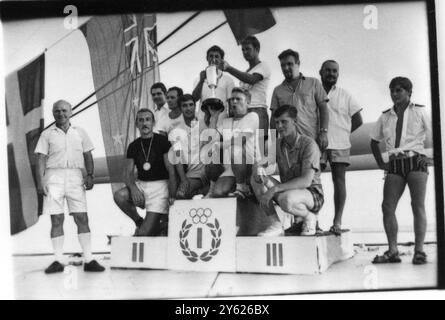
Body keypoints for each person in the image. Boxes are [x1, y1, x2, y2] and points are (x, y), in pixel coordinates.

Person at [35, 100, 105, 273]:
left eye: (65, 110)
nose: (61, 114)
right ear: (53, 113)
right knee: (56, 219)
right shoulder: (47, 134)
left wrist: (90, 175)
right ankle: (58, 260)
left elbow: (88, 154)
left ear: (71, 112)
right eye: (57, 111)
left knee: (81, 217)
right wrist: (41, 181)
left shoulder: (79, 132)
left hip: (75, 176)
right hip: (54, 177)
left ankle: (89, 259)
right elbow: (41, 158)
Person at [370, 77, 431, 265]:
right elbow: (373, 141)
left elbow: (436, 133)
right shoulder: (385, 116)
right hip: (395, 163)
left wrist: (430, 158)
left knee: (417, 205)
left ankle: (419, 251)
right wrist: (381, 163)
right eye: (392, 90)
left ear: (408, 92)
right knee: (387, 206)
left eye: (399, 90)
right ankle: (393, 251)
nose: (394, 94)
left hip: (415, 161)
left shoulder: (420, 111)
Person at [251, 105, 324, 236]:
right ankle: (276, 225)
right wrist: (258, 167)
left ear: (295, 122)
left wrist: (274, 189)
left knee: (287, 199)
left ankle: (309, 217)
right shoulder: (278, 144)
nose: (279, 126)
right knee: (256, 178)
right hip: (288, 192)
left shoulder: (309, 144)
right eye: (277, 122)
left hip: (311, 194)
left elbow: (306, 181)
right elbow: (264, 162)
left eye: (284, 122)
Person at [113, 108, 177, 236]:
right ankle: (138, 221)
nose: (144, 123)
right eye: (141, 120)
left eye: (148, 120)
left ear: (153, 122)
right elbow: (127, 173)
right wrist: (133, 189)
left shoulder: (163, 141)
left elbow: (171, 170)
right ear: (137, 124)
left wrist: (172, 193)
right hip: (142, 185)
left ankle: (158, 227)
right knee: (119, 196)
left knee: (143, 234)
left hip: (160, 188)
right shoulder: (133, 145)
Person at [319, 60, 363, 235]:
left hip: (340, 144)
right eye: (328, 70)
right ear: (320, 72)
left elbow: (358, 120)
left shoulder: (346, 95)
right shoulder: (314, 92)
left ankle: (337, 222)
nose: (331, 74)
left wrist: (343, 132)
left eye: (335, 71)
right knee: (313, 180)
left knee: (339, 182)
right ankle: (312, 221)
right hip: (319, 143)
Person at [204, 87, 260, 199]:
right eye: (232, 99)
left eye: (238, 99)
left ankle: (242, 187)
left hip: (249, 166)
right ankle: (219, 188)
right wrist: (214, 116)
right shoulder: (226, 122)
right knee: (218, 192)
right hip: (231, 168)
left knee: (236, 148)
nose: (234, 102)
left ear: (247, 102)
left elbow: (241, 140)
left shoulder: (252, 116)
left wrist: (219, 145)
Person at [270, 49, 329, 152]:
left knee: (311, 168)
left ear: (298, 63)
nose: (286, 68)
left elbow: (324, 109)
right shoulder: (277, 90)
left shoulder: (314, 83)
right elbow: (273, 119)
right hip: (288, 146)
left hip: (311, 141)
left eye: (289, 64)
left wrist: (323, 132)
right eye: (283, 65)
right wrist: (274, 144)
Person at [218, 36, 271, 140]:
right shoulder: (245, 72)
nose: (245, 52)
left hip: (258, 111)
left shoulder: (264, 66)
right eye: (243, 49)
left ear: (257, 49)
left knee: (259, 147)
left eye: (248, 49)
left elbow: (252, 79)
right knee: (244, 148)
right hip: (244, 112)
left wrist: (229, 69)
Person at [169, 94, 209, 199]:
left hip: (208, 169)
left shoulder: (204, 124)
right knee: (181, 194)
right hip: (193, 172)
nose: (188, 108)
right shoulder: (175, 131)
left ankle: (206, 189)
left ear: (195, 106)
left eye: (191, 105)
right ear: (180, 108)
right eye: (184, 105)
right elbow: (177, 157)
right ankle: (201, 191)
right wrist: (183, 180)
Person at [192, 45, 235, 125]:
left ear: (221, 59)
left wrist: (230, 125)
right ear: (207, 58)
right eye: (211, 56)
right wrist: (201, 80)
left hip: (221, 122)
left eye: (217, 56)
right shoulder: (199, 78)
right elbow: (194, 98)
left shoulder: (228, 80)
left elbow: (231, 104)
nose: (213, 59)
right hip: (202, 122)